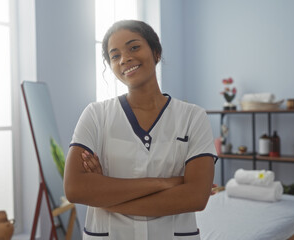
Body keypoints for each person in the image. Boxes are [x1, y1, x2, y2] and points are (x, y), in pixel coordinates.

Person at [64, 20, 217, 240]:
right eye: (115, 55)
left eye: (134, 47)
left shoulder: (193, 117)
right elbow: (75, 189)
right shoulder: (96, 115)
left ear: (156, 52)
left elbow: (195, 197)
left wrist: (105, 195)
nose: (125, 58)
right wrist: (167, 182)